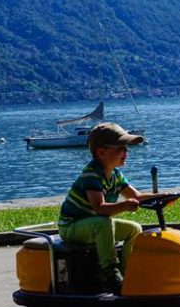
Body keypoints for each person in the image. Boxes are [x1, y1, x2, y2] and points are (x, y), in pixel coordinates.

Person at [58, 122, 162, 292]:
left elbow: (135, 196)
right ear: (101, 152)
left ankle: (127, 272)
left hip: (93, 225)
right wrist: (125, 205)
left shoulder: (115, 174)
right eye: (121, 148)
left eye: (126, 148)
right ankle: (110, 274)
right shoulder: (91, 174)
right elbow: (99, 208)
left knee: (134, 229)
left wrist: (162, 197)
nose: (126, 152)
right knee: (103, 223)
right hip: (72, 226)